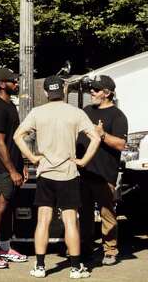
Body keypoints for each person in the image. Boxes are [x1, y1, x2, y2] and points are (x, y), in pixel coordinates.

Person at [15, 75, 102, 279]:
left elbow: (17, 136)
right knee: (71, 221)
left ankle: (39, 266)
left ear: (46, 93)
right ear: (63, 90)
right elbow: (96, 137)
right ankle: (75, 268)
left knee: (43, 220)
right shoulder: (76, 113)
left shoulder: (37, 113)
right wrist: (83, 161)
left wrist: (32, 157)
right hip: (69, 173)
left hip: (46, 173)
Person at [77, 75, 127, 266]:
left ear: (107, 93)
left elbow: (122, 144)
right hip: (83, 173)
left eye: (96, 90)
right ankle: (85, 249)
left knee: (107, 213)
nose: (92, 92)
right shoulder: (86, 111)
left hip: (104, 174)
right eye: (92, 89)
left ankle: (110, 250)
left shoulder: (117, 116)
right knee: (85, 214)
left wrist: (103, 135)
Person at [0, 67, 29, 269]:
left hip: (13, 166)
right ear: (2, 84)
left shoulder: (10, 105)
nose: (16, 83)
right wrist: (12, 170)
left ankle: (5, 248)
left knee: (8, 207)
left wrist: (23, 164)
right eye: (13, 81)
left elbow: (15, 139)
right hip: (1, 168)